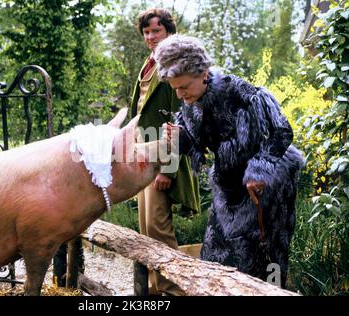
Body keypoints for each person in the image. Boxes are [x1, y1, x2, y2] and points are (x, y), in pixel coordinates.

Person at [156, 34, 305, 288]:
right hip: (228, 187)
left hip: (266, 186)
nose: (180, 94)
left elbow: (282, 132)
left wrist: (260, 169)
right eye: (175, 88)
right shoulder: (190, 104)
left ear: (203, 72)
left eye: (184, 87)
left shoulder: (240, 92)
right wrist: (179, 138)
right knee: (216, 257)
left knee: (264, 256)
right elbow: (196, 144)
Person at [130, 9, 200, 296]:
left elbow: (178, 119)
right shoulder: (148, 64)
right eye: (146, 32)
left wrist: (168, 169)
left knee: (158, 229)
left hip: (163, 159)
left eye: (155, 31)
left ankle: (175, 291)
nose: (150, 37)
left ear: (168, 31)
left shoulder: (173, 66)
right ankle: (154, 291)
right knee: (146, 229)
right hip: (143, 155)